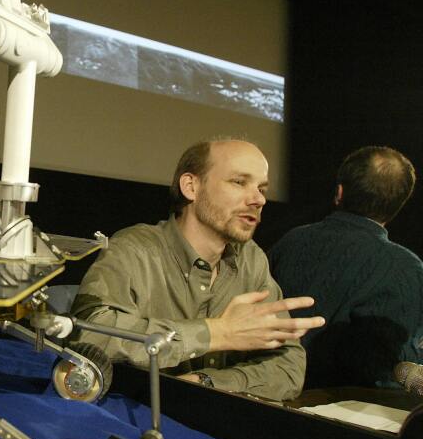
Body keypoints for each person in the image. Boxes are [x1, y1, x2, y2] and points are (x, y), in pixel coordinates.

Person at [70, 138, 324, 401]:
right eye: (239, 182)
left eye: (261, 188)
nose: (258, 199)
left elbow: (289, 363)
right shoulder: (134, 249)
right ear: (191, 187)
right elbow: (88, 334)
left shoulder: (251, 259)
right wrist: (215, 333)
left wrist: (207, 383)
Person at [269, 146, 423, 388]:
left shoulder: (291, 240)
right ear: (398, 205)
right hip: (343, 414)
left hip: (266, 393)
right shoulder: (407, 268)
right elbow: (390, 366)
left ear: (339, 192)